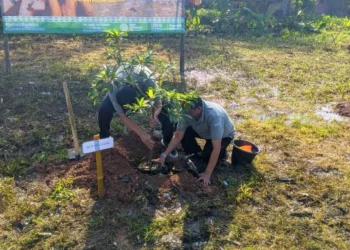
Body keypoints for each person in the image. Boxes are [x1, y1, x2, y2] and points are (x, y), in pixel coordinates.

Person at [98, 64, 178, 157]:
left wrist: (155, 115)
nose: (127, 110)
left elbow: (158, 102)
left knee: (167, 110)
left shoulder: (148, 81)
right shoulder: (113, 88)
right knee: (104, 110)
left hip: (143, 87)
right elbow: (123, 116)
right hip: (121, 85)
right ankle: (105, 140)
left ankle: (167, 141)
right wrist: (142, 134)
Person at [153, 97, 235, 185]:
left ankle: (222, 154)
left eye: (189, 112)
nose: (186, 114)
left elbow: (216, 147)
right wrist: (164, 155)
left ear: (198, 109)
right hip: (202, 130)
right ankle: (196, 153)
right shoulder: (186, 111)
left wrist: (207, 173)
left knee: (207, 157)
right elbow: (178, 135)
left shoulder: (214, 116)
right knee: (185, 134)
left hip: (223, 136)